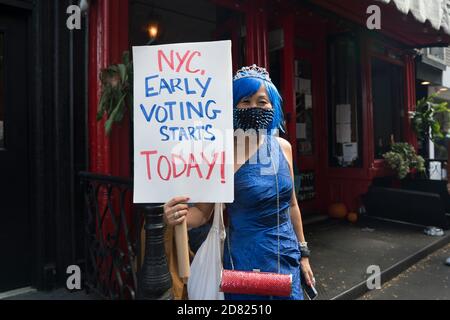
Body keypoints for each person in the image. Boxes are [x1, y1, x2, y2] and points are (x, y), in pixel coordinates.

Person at [163, 64, 314, 300]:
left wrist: (303, 253)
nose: (254, 107)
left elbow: (292, 205)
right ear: (233, 107)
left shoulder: (284, 148)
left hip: (287, 258)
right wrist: (174, 215)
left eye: (262, 101)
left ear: (272, 106)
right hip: (244, 263)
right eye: (245, 101)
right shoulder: (220, 155)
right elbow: (202, 214)